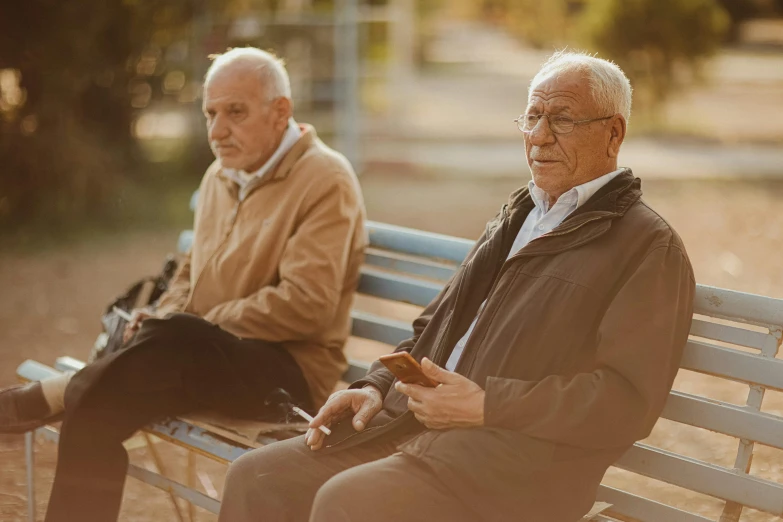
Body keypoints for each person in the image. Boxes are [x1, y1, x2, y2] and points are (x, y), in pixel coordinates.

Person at [218, 50, 696, 522]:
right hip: (412, 431)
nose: (538, 136)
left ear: (614, 132)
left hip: (513, 469)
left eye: (562, 119)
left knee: (349, 502)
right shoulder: (520, 215)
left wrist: (487, 406)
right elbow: (436, 324)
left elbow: (625, 400)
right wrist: (379, 385)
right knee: (256, 477)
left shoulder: (648, 246)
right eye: (531, 117)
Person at [0, 47, 366, 522]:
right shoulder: (220, 175)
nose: (217, 131)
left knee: (166, 342)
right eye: (210, 113)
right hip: (187, 355)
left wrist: (187, 323)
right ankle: (80, 391)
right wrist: (162, 316)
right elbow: (190, 274)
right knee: (93, 413)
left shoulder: (325, 178)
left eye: (235, 112)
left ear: (281, 112)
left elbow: (306, 306)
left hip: (286, 374)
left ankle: (58, 391)